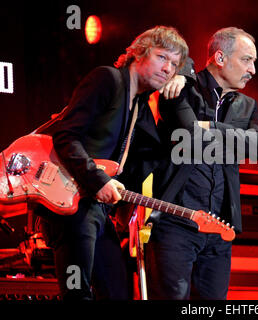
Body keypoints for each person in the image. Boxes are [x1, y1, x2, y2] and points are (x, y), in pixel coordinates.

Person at [35, 26, 189, 300]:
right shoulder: (107, 79)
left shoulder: (139, 103)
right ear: (138, 53)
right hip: (71, 202)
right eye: (162, 57)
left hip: (96, 208)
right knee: (77, 293)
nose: (168, 69)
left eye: (174, 64)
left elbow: (154, 155)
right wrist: (98, 179)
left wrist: (183, 84)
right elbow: (66, 135)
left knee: (117, 292)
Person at [145, 27, 258, 300]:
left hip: (219, 227)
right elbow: (190, 135)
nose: (253, 69)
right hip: (176, 222)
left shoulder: (247, 105)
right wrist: (233, 137)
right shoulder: (181, 87)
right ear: (220, 58)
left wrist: (209, 126)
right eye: (247, 60)